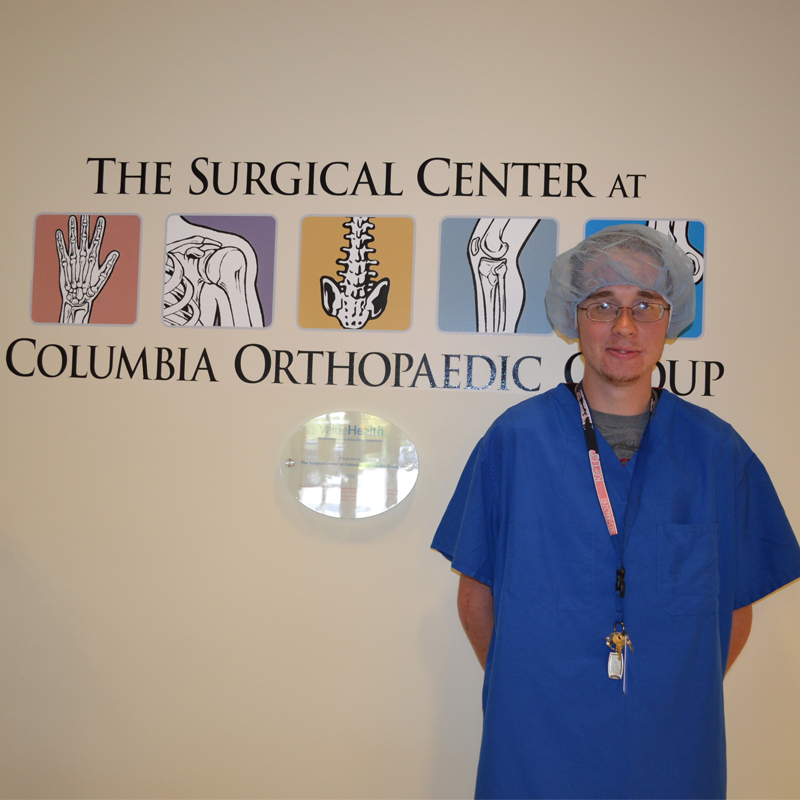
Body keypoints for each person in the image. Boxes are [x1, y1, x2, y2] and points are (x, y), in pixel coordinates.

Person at [432, 224, 800, 800]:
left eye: (644, 305)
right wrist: (533, 692)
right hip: (532, 746)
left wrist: (667, 698)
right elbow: (475, 598)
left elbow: (735, 607)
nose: (624, 326)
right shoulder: (515, 442)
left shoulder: (715, 451)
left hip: (674, 750)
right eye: (603, 303)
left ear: (670, 318)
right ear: (573, 317)